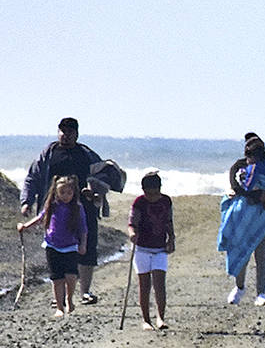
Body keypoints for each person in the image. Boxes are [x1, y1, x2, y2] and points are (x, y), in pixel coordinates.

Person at [21, 118, 108, 303]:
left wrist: (94, 193)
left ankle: (85, 291)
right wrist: (26, 201)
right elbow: (32, 177)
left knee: (87, 248)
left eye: (70, 132)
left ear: (76, 134)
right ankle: (59, 297)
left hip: (83, 207)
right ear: (58, 132)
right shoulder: (49, 153)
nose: (65, 135)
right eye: (62, 131)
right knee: (57, 251)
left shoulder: (86, 154)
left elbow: (102, 176)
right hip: (55, 210)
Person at [219, 135, 265, 305]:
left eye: (257, 156)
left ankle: (261, 293)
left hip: (264, 217)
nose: (253, 160)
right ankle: (239, 287)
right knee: (242, 252)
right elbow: (235, 186)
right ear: (246, 154)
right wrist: (256, 195)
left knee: (262, 255)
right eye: (251, 155)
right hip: (243, 218)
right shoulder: (239, 166)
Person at [16, 175, 89, 317]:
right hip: (52, 245)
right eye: (62, 193)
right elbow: (40, 218)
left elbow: (83, 228)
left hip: (71, 246)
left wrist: (83, 244)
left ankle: (69, 298)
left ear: (74, 193)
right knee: (57, 278)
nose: (66, 196)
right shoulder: (52, 205)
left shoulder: (77, 208)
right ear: (56, 192)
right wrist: (25, 226)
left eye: (69, 193)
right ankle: (60, 307)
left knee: (71, 276)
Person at [128, 171, 175, 330]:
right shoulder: (139, 203)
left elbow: (169, 222)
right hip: (141, 248)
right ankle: (146, 320)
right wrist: (132, 234)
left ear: (160, 189)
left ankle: (160, 318)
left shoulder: (166, 201)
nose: (153, 196)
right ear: (143, 190)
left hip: (160, 248)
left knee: (160, 283)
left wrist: (172, 239)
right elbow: (131, 223)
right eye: (149, 193)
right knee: (144, 284)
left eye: (156, 193)